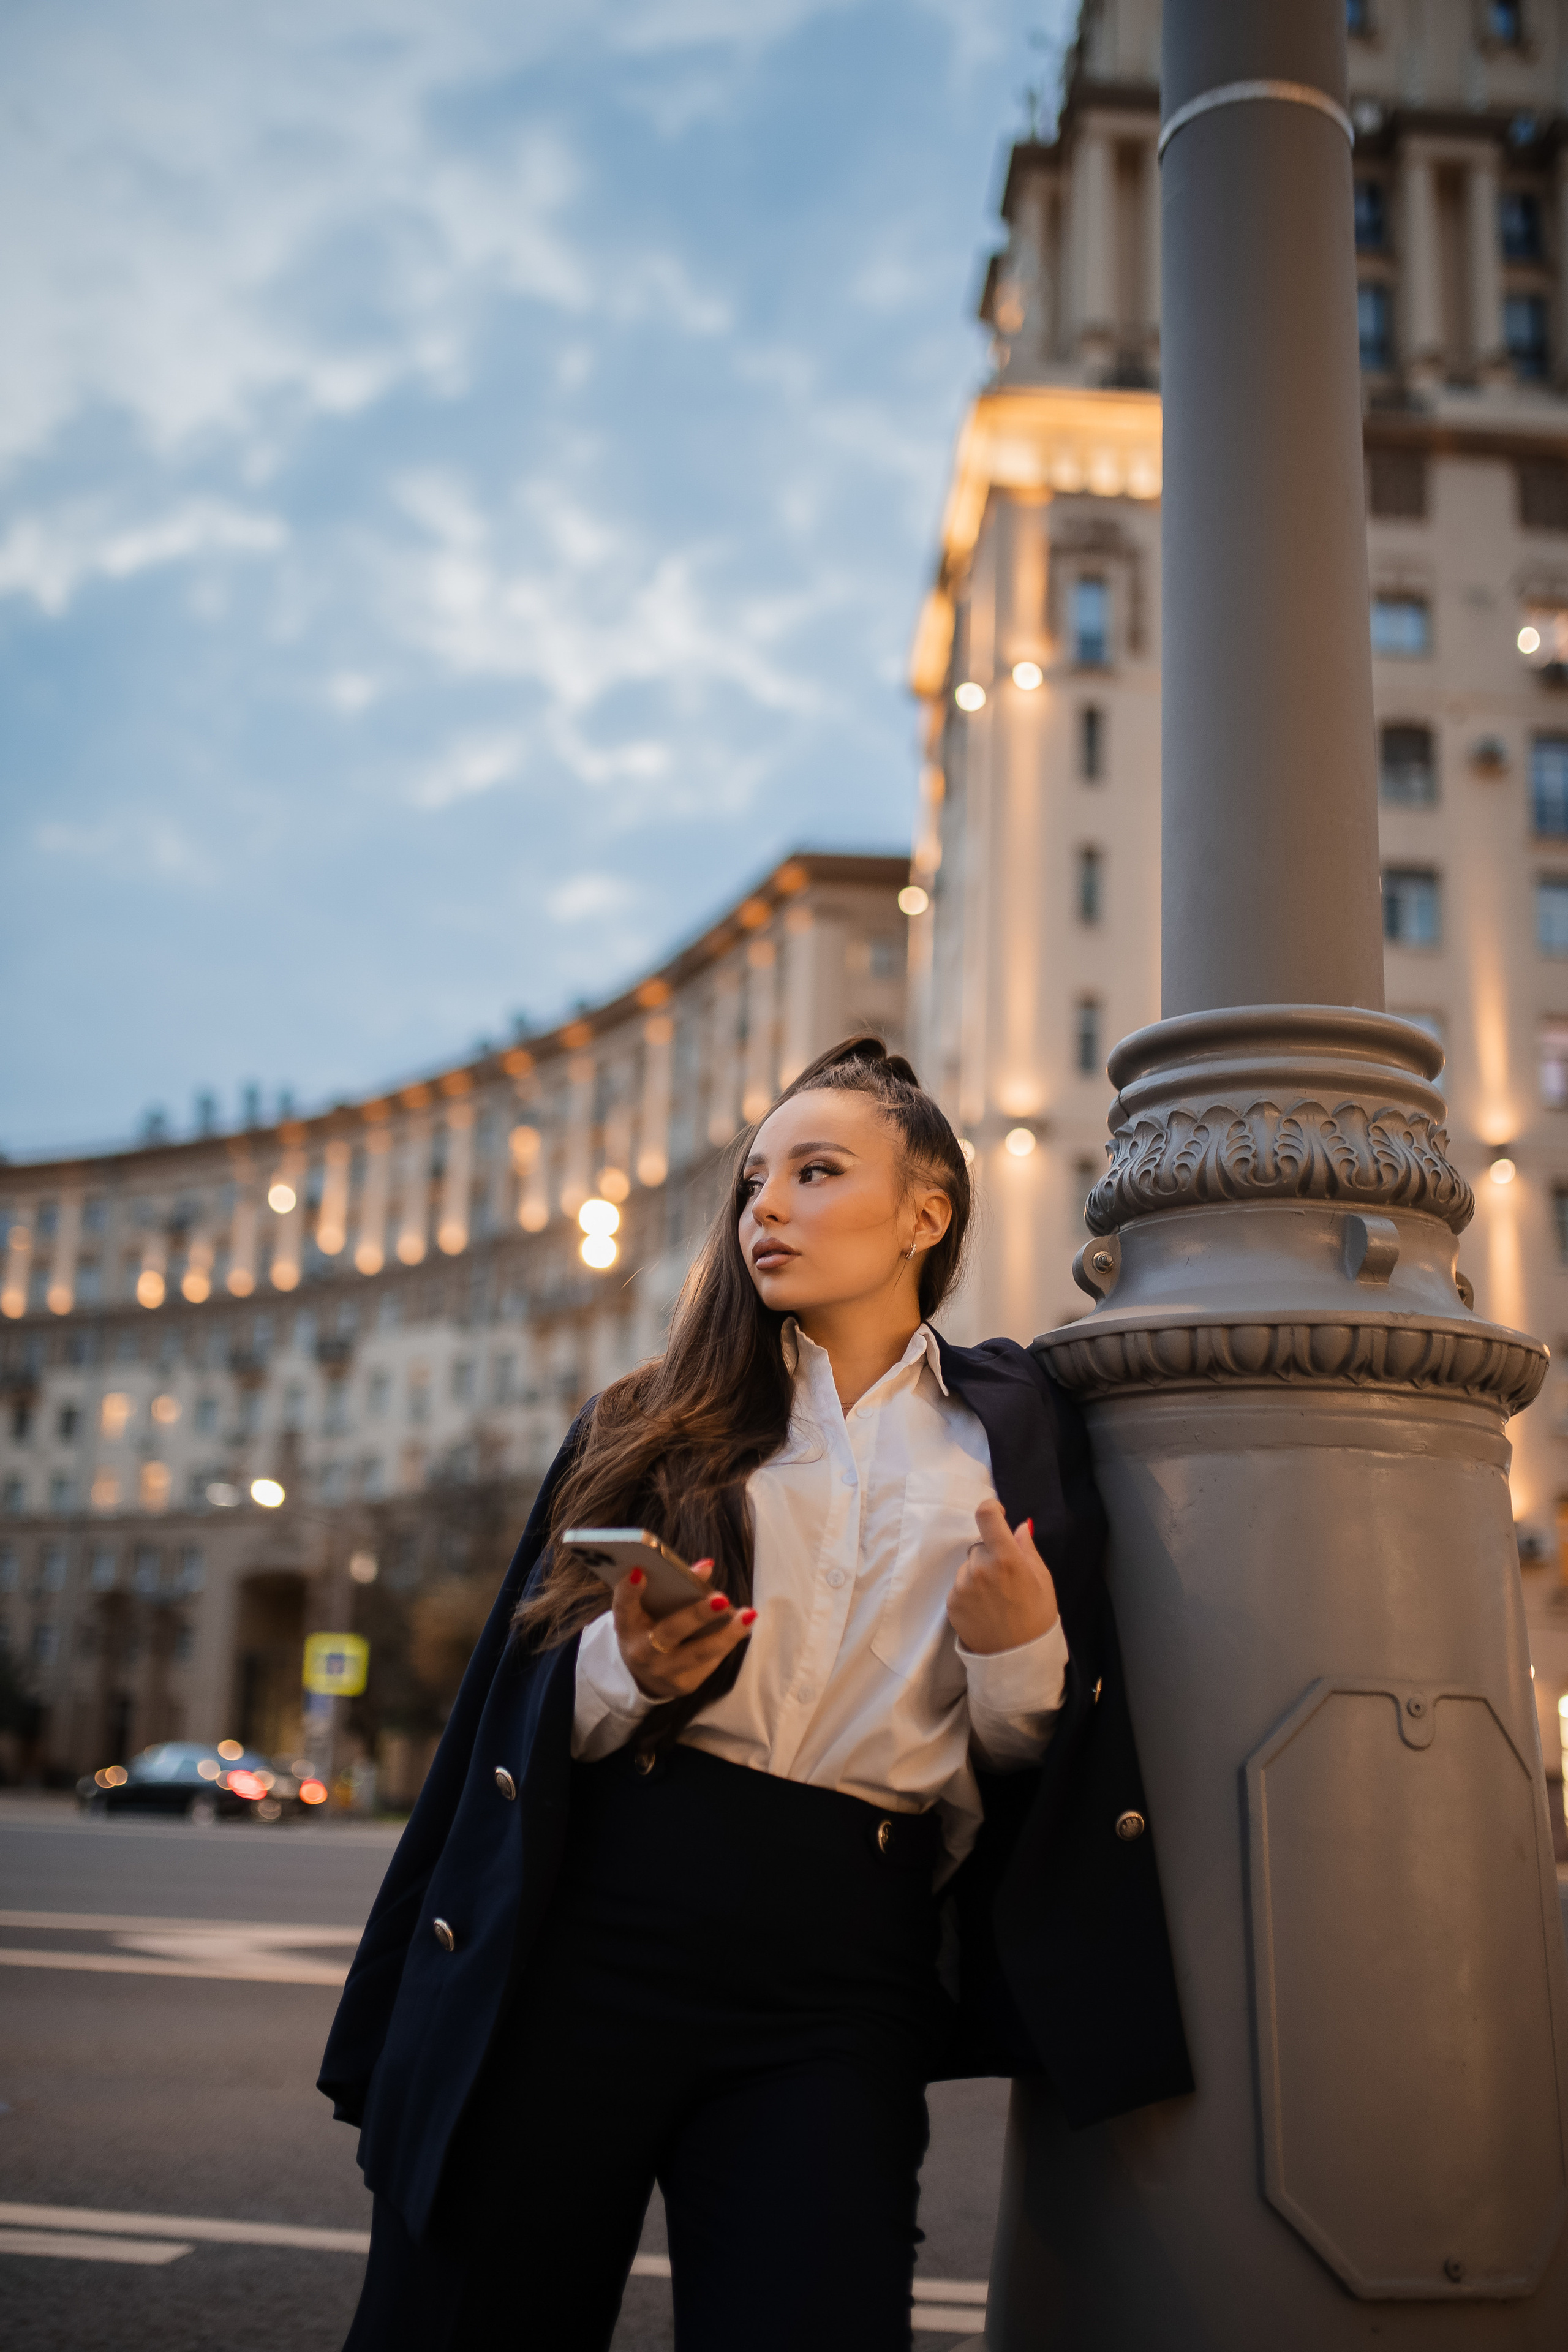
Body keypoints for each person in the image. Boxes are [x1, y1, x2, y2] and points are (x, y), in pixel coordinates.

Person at [321, 1037, 1191, 2352]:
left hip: (843, 1969)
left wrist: (1019, 1652)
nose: (763, 1209)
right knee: (475, 2321)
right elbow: (520, 1709)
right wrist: (630, 1673)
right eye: (749, 1184)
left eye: (814, 1172)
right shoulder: (647, 1418)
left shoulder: (1012, 1431)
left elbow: (1025, 1762)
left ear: (925, 1212)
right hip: (592, 1931)